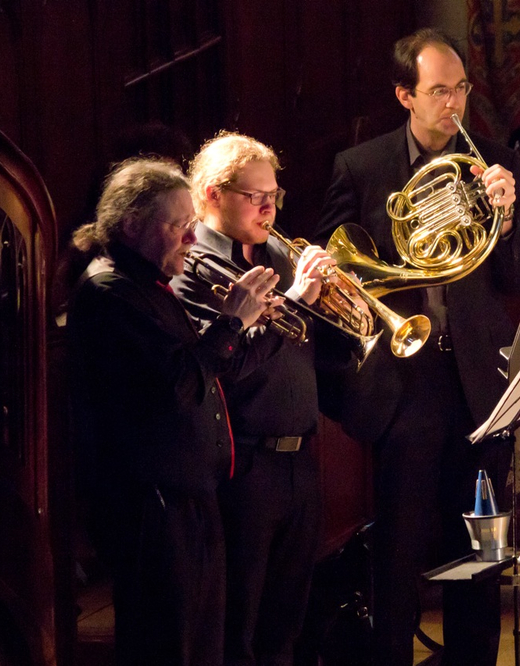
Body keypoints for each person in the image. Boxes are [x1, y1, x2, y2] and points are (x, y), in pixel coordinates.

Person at [314, 28, 520, 666]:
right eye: (438, 90)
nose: (454, 103)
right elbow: (332, 273)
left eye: (461, 88)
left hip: (480, 387)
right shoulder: (361, 167)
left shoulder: (497, 163)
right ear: (404, 95)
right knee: (398, 555)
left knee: (481, 554)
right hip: (404, 386)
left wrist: (508, 217)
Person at [67, 157, 279, 666]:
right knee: (168, 648)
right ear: (130, 225)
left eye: (191, 224)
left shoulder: (150, 286)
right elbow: (178, 385)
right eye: (178, 226)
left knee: (203, 647)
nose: (190, 238)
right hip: (152, 510)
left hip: (189, 500)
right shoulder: (110, 291)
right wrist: (230, 323)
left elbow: (203, 370)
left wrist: (256, 324)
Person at [171, 132, 356, 666]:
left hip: (303, 460)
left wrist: (342, 304)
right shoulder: (192, 265)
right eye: (255, 197)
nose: (269, 208)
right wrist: (295, 301)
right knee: (240, 631)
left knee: (287, 628)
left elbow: (316, 351)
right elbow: (227, 366)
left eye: (274, 194)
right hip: (244, 467)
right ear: (213, 194)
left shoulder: (280, 253)